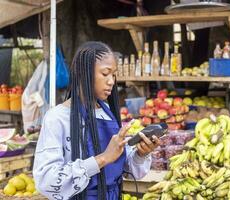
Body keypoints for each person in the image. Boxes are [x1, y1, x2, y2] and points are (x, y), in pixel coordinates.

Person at [33, 41, 160, 200]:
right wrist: (103, 158)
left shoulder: (108, 113)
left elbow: (124, 165)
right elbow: (46, 181)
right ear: (83, 73)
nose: (112, 81)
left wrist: (141, 153)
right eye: (105, 73)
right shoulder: (57, 118)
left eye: (113, 74)